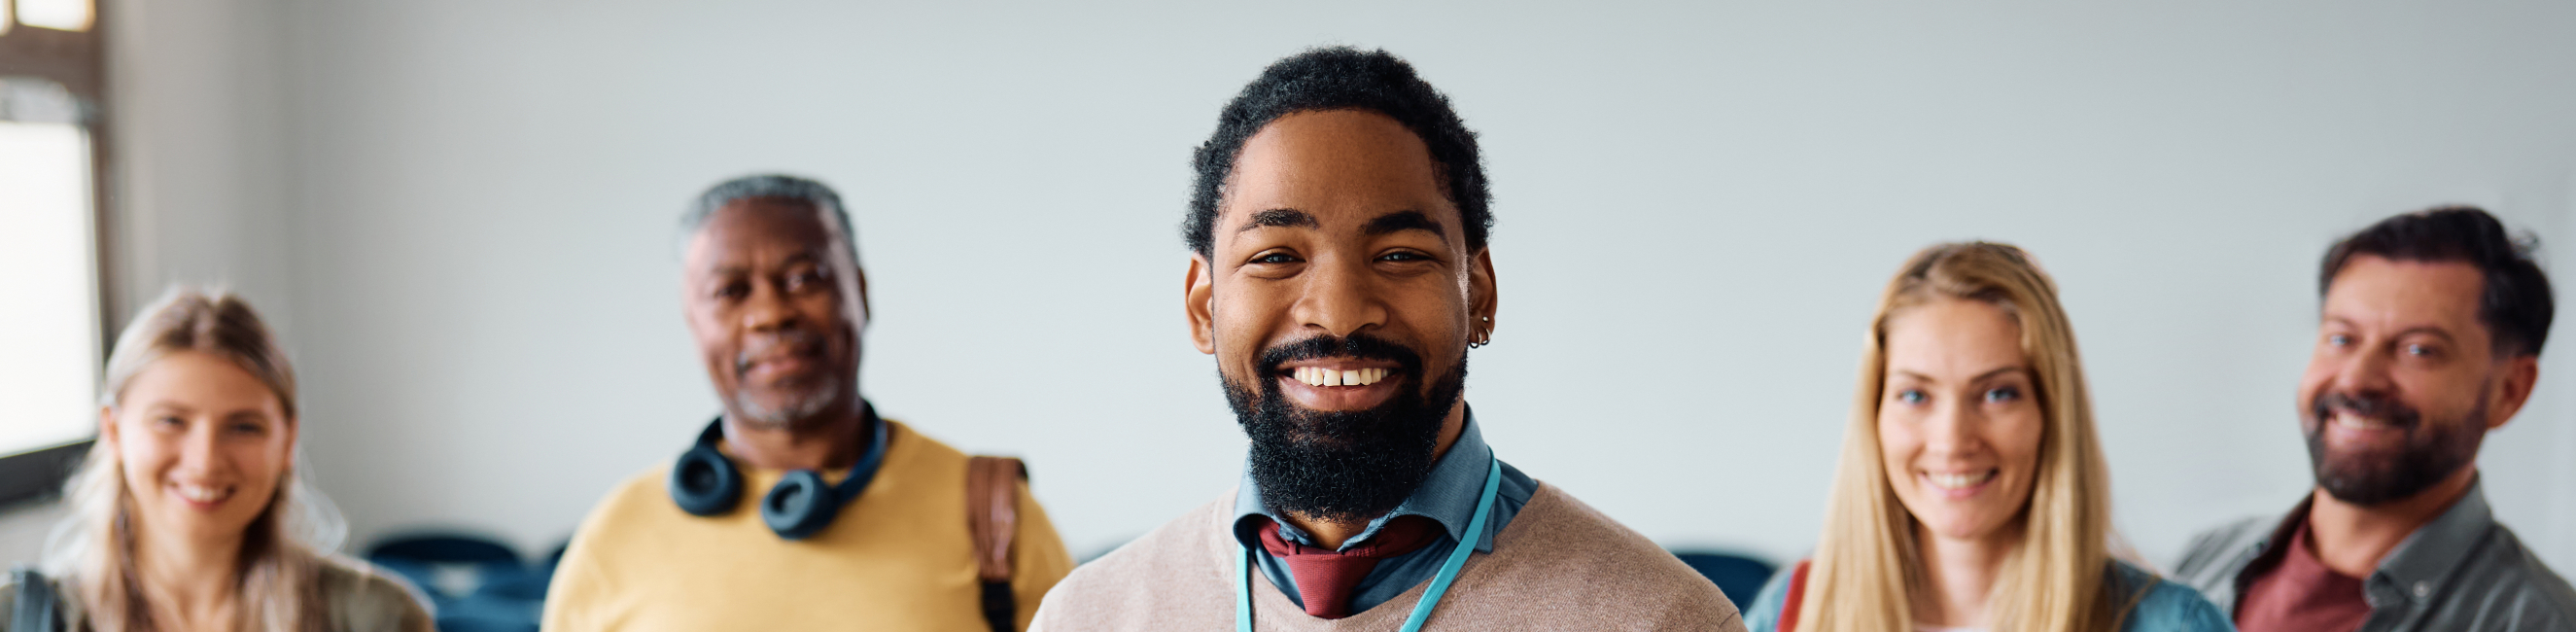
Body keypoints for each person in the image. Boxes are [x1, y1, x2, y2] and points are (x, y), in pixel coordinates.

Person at [1030, 47, 1741, 631]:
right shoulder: (1090, 617)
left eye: (1400, 255)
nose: (1338, 315)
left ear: (1480, 294)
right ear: (1203, 306)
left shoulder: (1659, 619)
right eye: (1277, 256)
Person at [542, 175, 1075, 631]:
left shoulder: (996, 514)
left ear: (861, 293)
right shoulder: (615, 533)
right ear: (693, 321)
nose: (771, 313)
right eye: (730, 290)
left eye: (803, 278)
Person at [1743, 243, 2230, 632]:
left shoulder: (2174, 624)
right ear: (1873, 415)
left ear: (2052, 414)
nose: (1952, 440)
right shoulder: (1791, 613)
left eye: (1998, 393)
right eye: (1915, 396)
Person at [2171, 207, 2576, 631]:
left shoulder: (2536, 622)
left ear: (2510, 390)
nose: (2357, 379)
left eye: (2419, 350)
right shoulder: (2202, 562)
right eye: (2342, 338)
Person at [1, 287, 433, 632]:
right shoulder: (17, 618)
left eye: (243, 427)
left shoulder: (380, 618)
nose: (205, 461)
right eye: (171, 421)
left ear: (288, 441)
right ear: (113, 431)